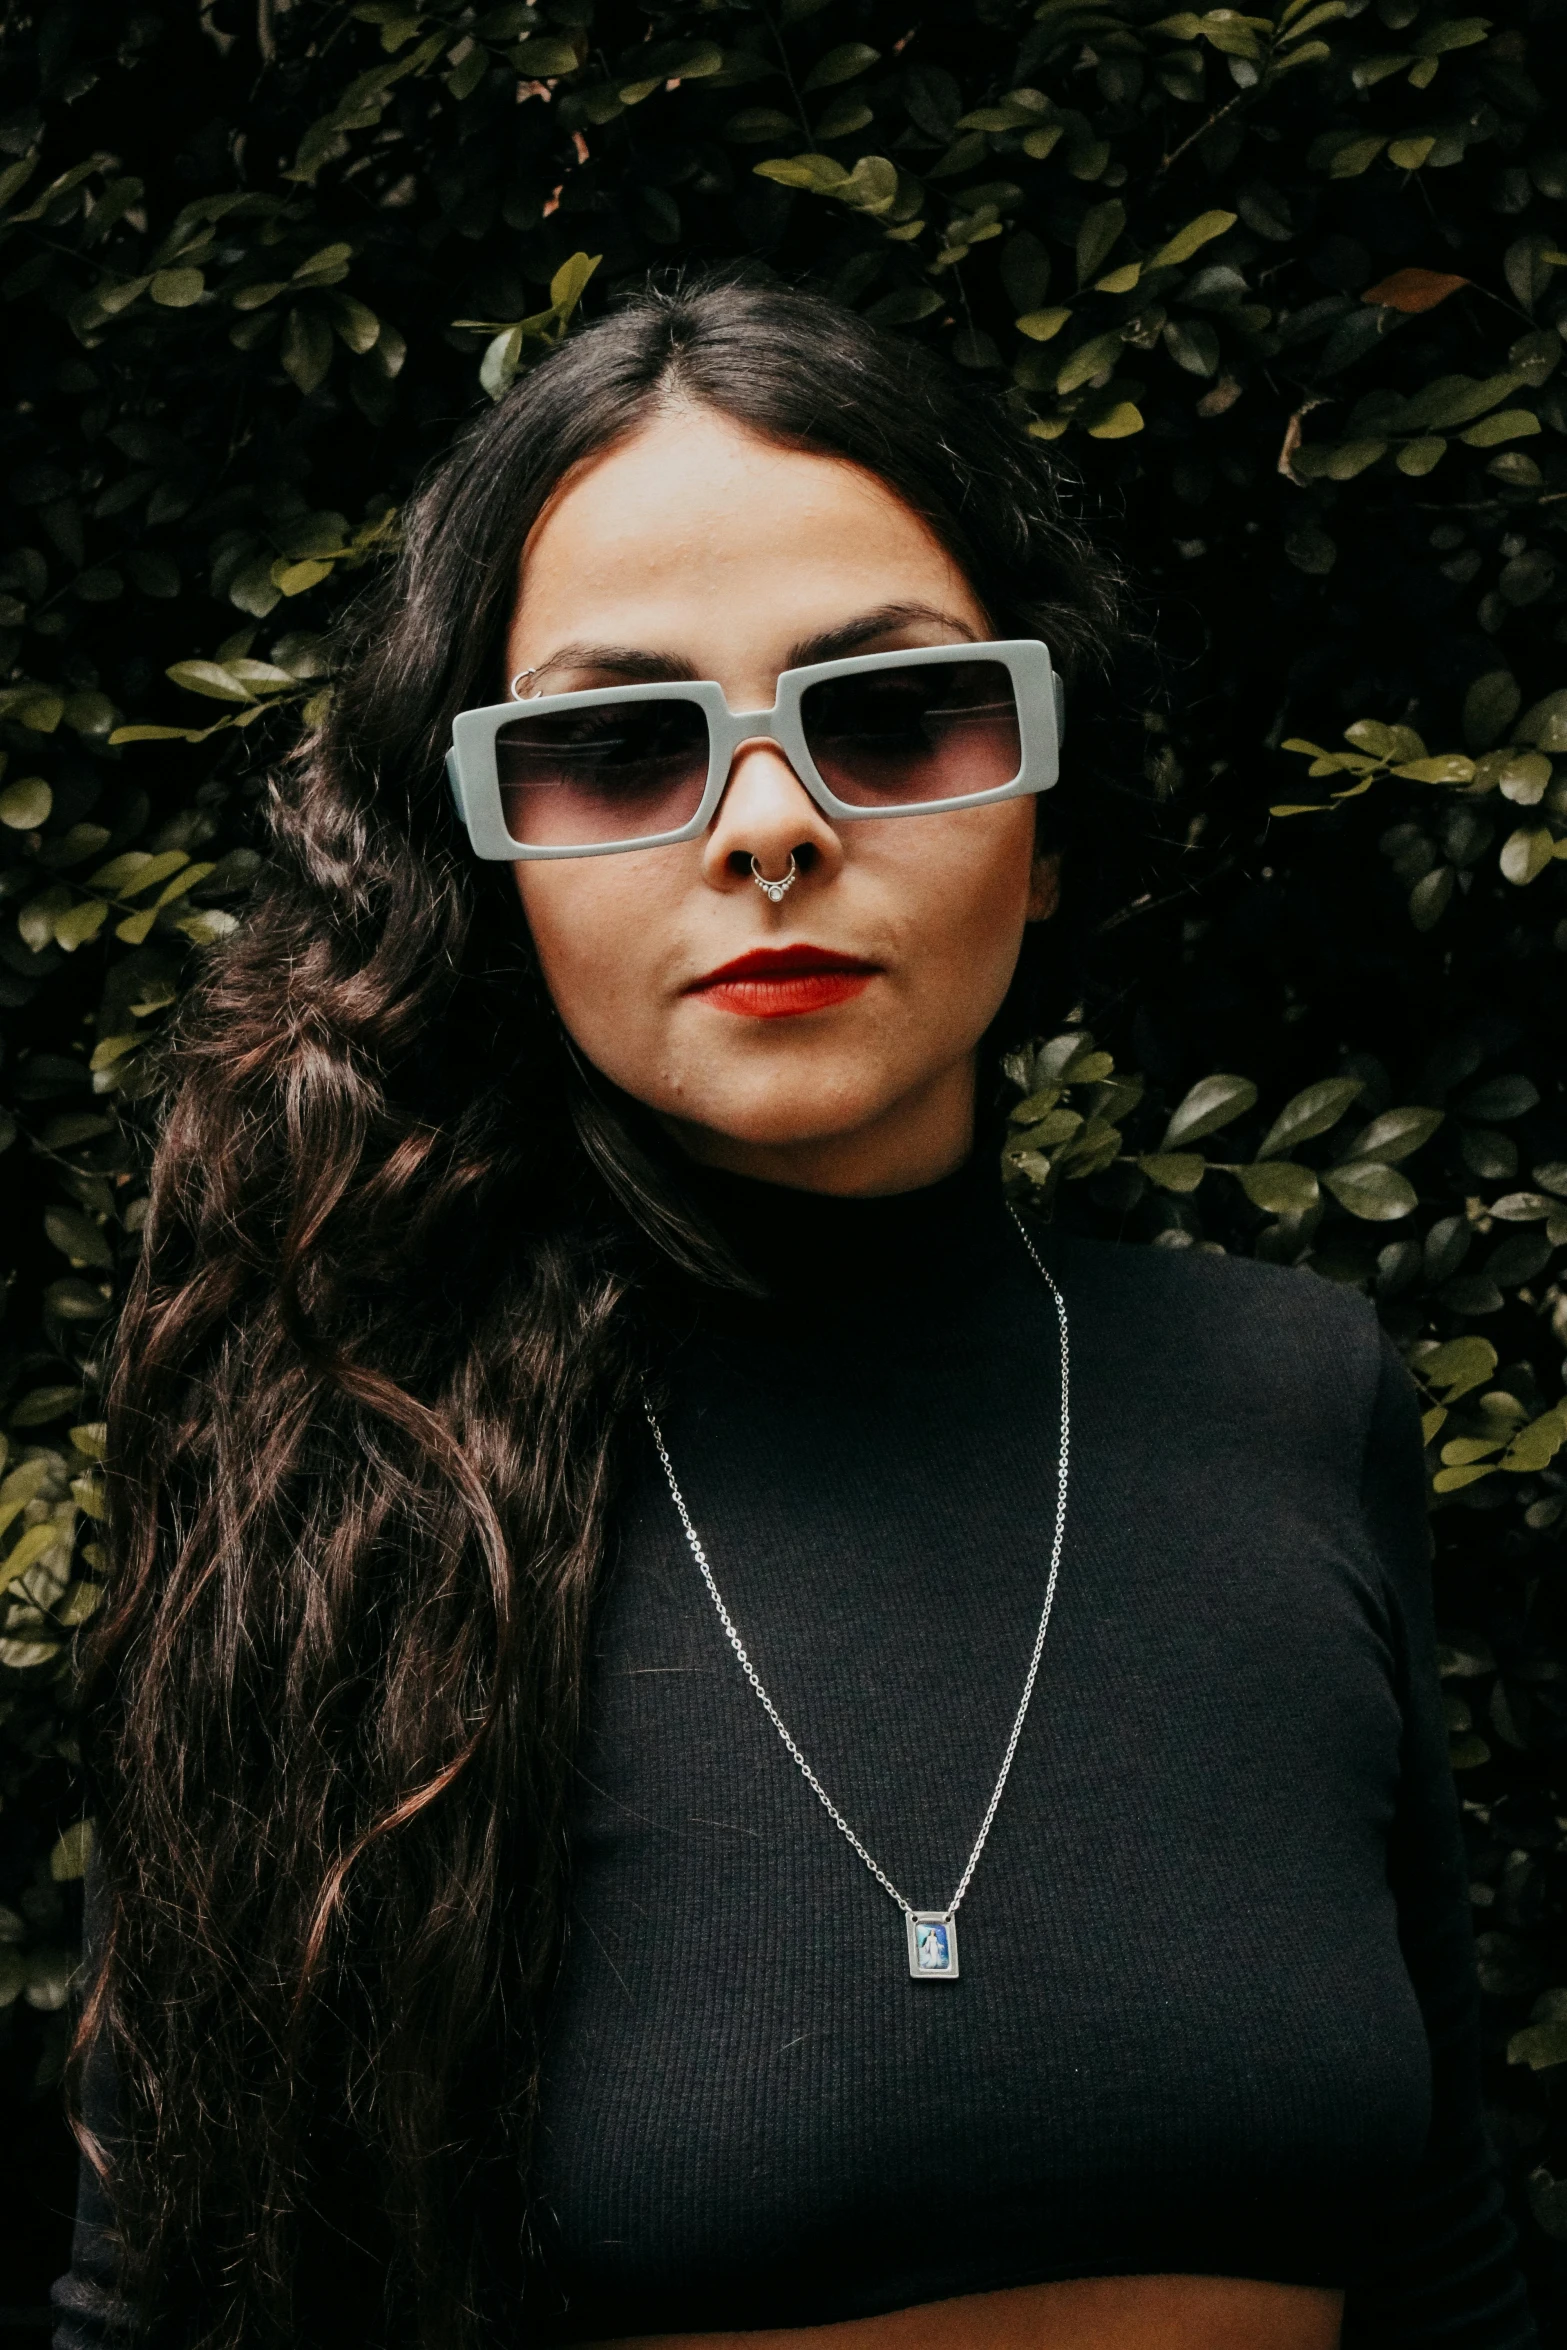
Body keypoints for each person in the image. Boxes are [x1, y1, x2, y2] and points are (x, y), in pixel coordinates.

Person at [52, 276, 1538, 2350]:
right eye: (611, 746)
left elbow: (1448, 2257)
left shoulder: (1292, 1395)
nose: (769, 825)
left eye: (896, 715)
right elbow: (160, 2300)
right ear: (493, 861)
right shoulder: (335, 1483)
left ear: (1038, 801)